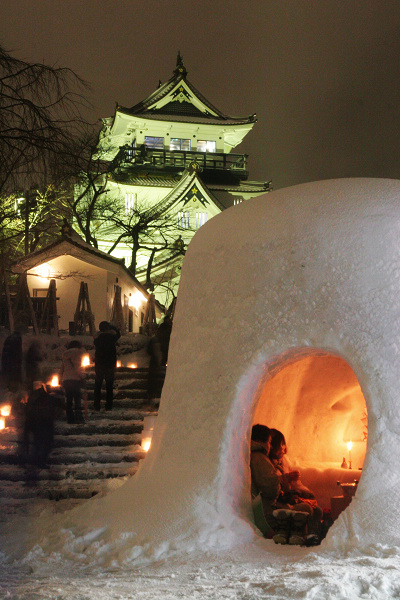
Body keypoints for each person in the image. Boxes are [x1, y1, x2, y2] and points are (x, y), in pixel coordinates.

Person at [268, 428, 323, 545]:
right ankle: (302, 536)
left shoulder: (283, 461)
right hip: (281, 501)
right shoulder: (268, 464)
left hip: (290, 498)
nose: (283, 449)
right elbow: (274, 486)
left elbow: (296, 485)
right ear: (273, 446)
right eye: (281, 445)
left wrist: (304, 491)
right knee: (310, 509)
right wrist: (287, 478)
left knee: (317, 509)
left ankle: (312, 535)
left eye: (284, 445)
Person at [93, 321, 120, 411]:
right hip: (109, 364)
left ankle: (96, 405)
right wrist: (113, 327)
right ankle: (109, 405)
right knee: (109, 386)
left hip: (99, 364)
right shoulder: (111, 338)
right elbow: (118, 334)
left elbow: (95, 342)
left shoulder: (98, 338)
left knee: (97, 386)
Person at [60, 340, 85, 424]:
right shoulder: (77, 354)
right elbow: (77, 367)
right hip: (75, 380)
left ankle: (70, 419)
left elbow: (61, 369)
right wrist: (83, 376)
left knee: (69, 401)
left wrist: (61, 380)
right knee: (77, 400)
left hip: (66, 380)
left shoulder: (65, 355)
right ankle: (79, 418)